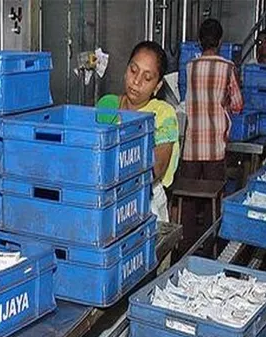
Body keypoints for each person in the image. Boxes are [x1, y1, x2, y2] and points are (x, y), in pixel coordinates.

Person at [97, 41, 180, 223]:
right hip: (107, 198)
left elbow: (157, 167)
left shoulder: (162, 114)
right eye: (133, 70)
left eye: (147, 78)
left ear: (157, 86)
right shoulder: (107, 105)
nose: (137, 81)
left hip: (147, 199)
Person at [182, 19, 243, 248]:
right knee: (213, 197)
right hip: (216, 144)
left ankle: (186, 245)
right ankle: (209, 245)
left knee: (188, 199)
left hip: (191, 144)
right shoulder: (228, 67)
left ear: (200, 41)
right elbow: (237, 104)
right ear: (220, 41)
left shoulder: (190, 66)